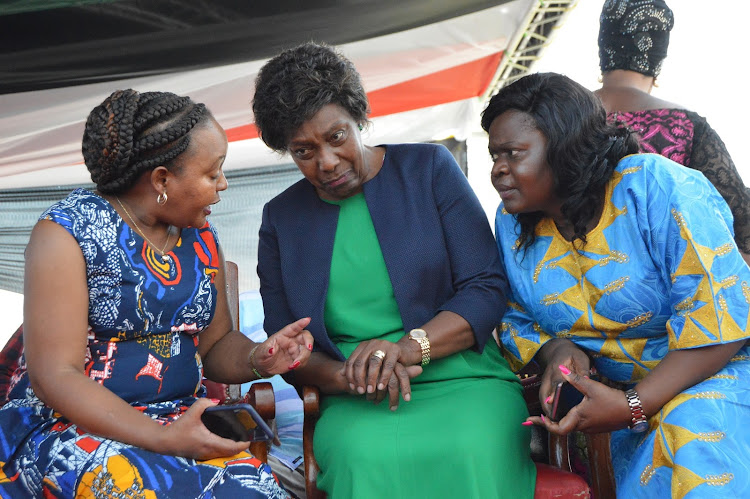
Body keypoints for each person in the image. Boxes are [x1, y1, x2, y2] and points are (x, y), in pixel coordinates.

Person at [252, 42, 536, 498]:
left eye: (337, 137)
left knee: (472, 447)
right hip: (355, 396)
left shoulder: (428, 169)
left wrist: (405, 350)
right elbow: (286, 343)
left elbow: (485, 287)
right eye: (304, 151)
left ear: (359, 118)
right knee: (360, 459)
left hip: (464, 380)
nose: (325, 162)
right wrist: (351, 376)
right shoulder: (281, 219)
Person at [0, 89, 314, 498]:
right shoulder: (65, 234)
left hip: (179, 419)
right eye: (212, 171)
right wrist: (164, 439)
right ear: (162, 179)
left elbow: (215, 347)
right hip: (70, 427)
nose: (223, 184)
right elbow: (55, 377)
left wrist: (261, 357)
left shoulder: (201, 236)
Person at [484, 72, 750, 497]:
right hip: (616, 400)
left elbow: (723, 313)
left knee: (691, 433)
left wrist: (633, 405)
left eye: (513, 154)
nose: (498, 171)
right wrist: (559, 350)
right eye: (494, 155)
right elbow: (514, 314)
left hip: (717, 375)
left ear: (563, 148)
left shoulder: (656, 186)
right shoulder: (512, 224)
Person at [594, 0, 750, 265]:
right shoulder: (684, 125)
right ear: (659, 51)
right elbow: (742, 226)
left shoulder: (559, 117)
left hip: (567, 290)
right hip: (672, 295)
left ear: (602, 43)